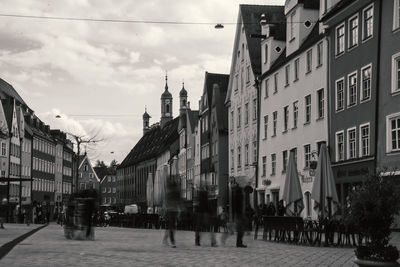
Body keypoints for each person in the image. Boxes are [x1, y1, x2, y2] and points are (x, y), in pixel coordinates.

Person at [162, 177, 182, 248]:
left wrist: (164, 210)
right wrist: (179, 210)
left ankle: (166, 239)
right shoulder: (173, 192)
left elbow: (165, 202)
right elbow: (178, 202)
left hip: (171, 210)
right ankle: (172, 241)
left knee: (170, 226)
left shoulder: (170, 192)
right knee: (171, 226)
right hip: (172, 211)